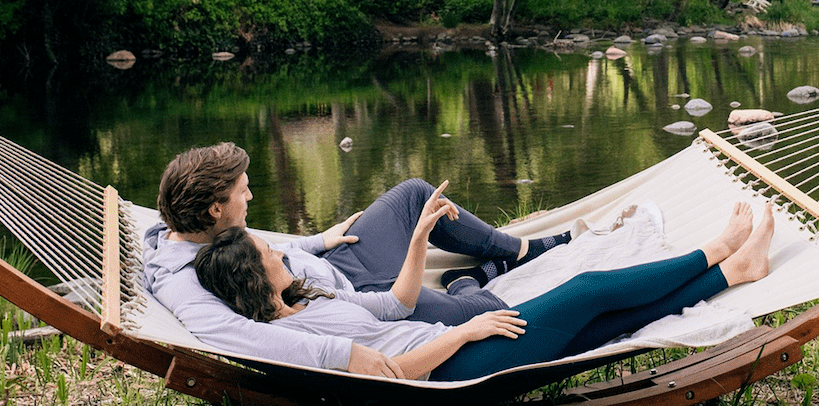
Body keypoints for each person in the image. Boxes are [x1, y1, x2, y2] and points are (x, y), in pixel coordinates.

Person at [192, 188, 775, 382]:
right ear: (253, 276)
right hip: (453, 368)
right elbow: (395, 372)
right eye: (269, 251)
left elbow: (396, 304)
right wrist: (465, 330)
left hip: (451, 342)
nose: (279, 248)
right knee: (590, 289)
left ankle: (733, 272)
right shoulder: (292, 336)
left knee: (597, 325)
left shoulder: (308, 297)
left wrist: (420, 237)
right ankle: (718, 251)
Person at [142, 142, 571, 377]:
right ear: (215, 209)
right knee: (491, 312)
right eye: (243, 191)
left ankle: (519, 249)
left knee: (415, 194)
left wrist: (316, 242)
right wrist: (344, 353)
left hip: (337, 269)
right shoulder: (182, 281)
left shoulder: (212, 231)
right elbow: (241, 336)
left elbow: (273, 256)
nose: (251, 196)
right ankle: (467, 282)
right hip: (360, 306)